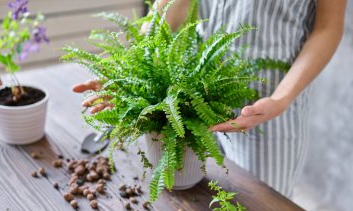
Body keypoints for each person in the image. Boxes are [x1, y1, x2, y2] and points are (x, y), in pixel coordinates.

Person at [73, 0, 347, 197]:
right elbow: (173, 4)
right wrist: (128, 72)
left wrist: (281, 99)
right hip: (197, 100)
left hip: (270, 110)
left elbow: (327, 27)